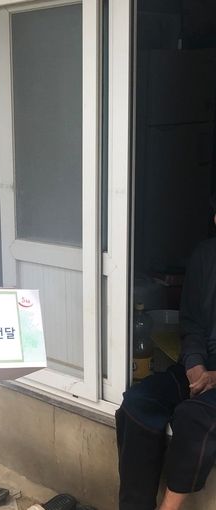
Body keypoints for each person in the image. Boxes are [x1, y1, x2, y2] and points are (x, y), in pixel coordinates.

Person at [116, 203, 216, 510]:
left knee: (194, 416)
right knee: (138, 402)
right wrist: (195, 365)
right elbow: (192, 323)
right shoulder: (205, 256)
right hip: (202, 365)